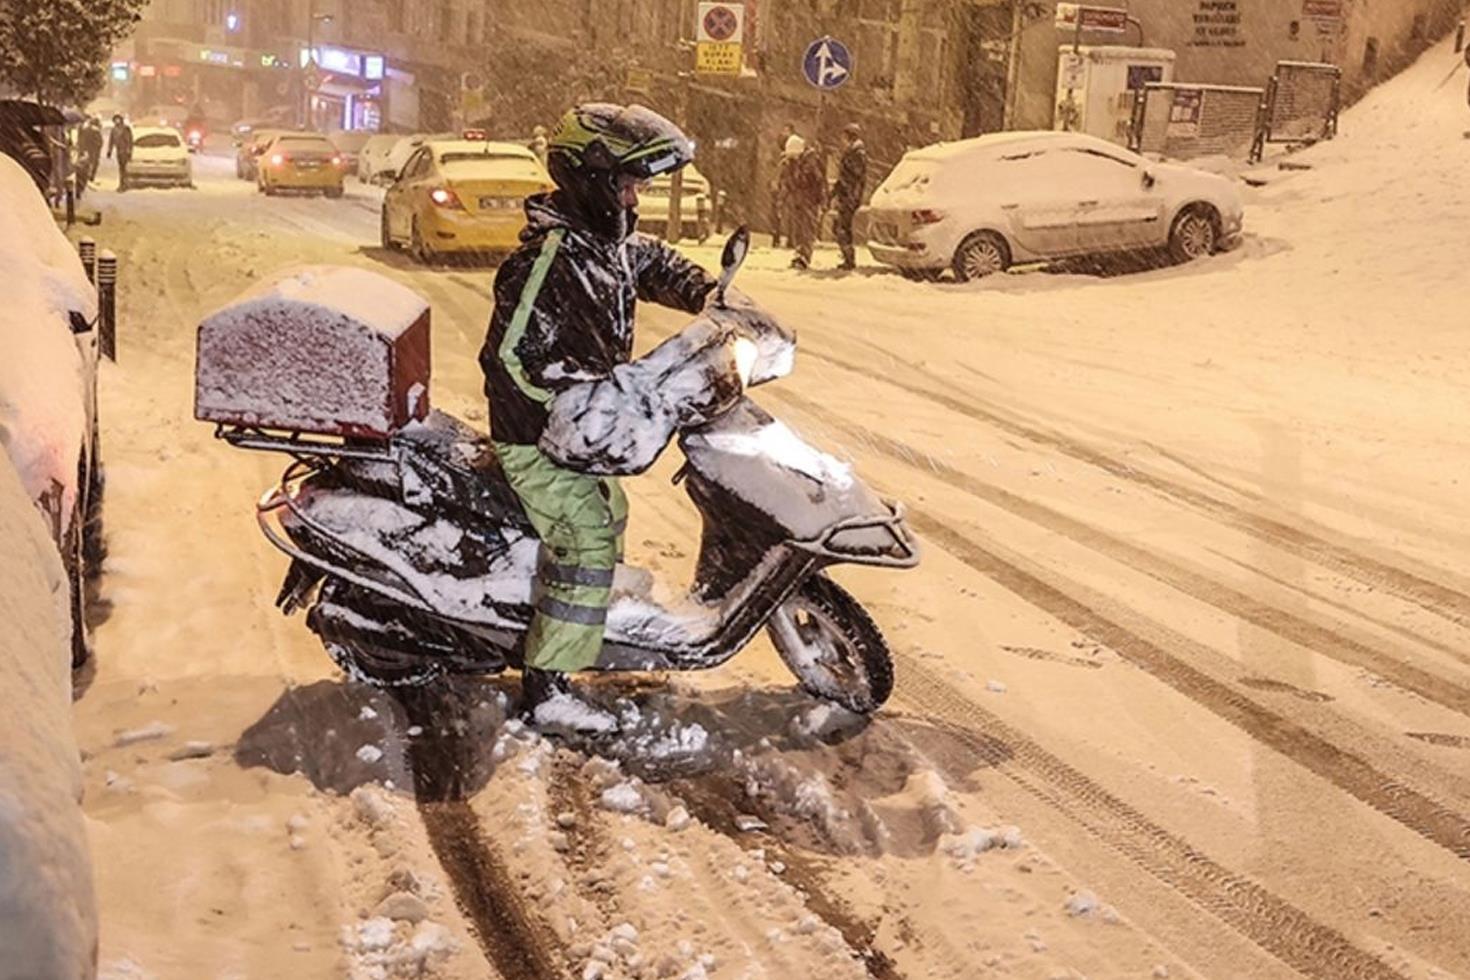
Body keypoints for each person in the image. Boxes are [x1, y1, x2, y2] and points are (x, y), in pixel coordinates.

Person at [479, 103, 716, 734]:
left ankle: (577, 619)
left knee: (610, 510)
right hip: (536, 436)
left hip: (578, 434)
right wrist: (567, 399)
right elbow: (509, 354)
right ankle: (548, 687)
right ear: (592, 179)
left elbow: (649, 262)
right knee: (585, 534)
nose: (635, 196)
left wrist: (709, 293)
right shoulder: (551, 257)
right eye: (628, 183)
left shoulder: (602, 244)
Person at [781, 134, 825, 270]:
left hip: (809, 201)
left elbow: (813, 182)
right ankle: (799, 253)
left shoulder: (811, 162)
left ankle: (804, 256)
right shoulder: (793, 163)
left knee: (806, 229)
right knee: (798, 230)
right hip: (798, 201)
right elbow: (789, 183)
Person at [830, 123, 868, 271]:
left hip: (849, 197)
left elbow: (855, 177)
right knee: (841, 227)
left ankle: (849, 258)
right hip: (847, 195)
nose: (841, 140)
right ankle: (847, 256)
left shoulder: (857, 154)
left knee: (842, 227)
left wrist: (850, 194)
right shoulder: (852, 152)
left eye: (844, 136)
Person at [769, 122, 795, 247]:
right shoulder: (779, 146)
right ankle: (776, 237)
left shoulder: (793, 148)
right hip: (781, 184)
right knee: (777, 212)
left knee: (788, 212)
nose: (784, 133)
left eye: (787, 130)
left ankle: (788, 238)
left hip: (788, 184)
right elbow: (774, 165)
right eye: (783, 130)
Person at [107, 114, 133, 191]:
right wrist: (109, 151)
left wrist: (129, 150)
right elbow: (111, 141)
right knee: (121, 168)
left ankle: (124, 184)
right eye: (115, 120)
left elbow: (129, 141)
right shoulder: (114, 130)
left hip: (125, 151)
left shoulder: (126, 129)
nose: (117, 121)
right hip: (119, 151)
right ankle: (122, 184)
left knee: (124, 169)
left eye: (118, 119)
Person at [77, 116, 103, 187]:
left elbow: (81, 141)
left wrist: (82, 150)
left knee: (86, 165)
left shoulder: (85, 130)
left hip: (86, 150)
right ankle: (90, 178)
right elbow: (100, 143)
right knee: (93, 164)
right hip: (93, 151)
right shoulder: (96, 131)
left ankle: (86, 178)